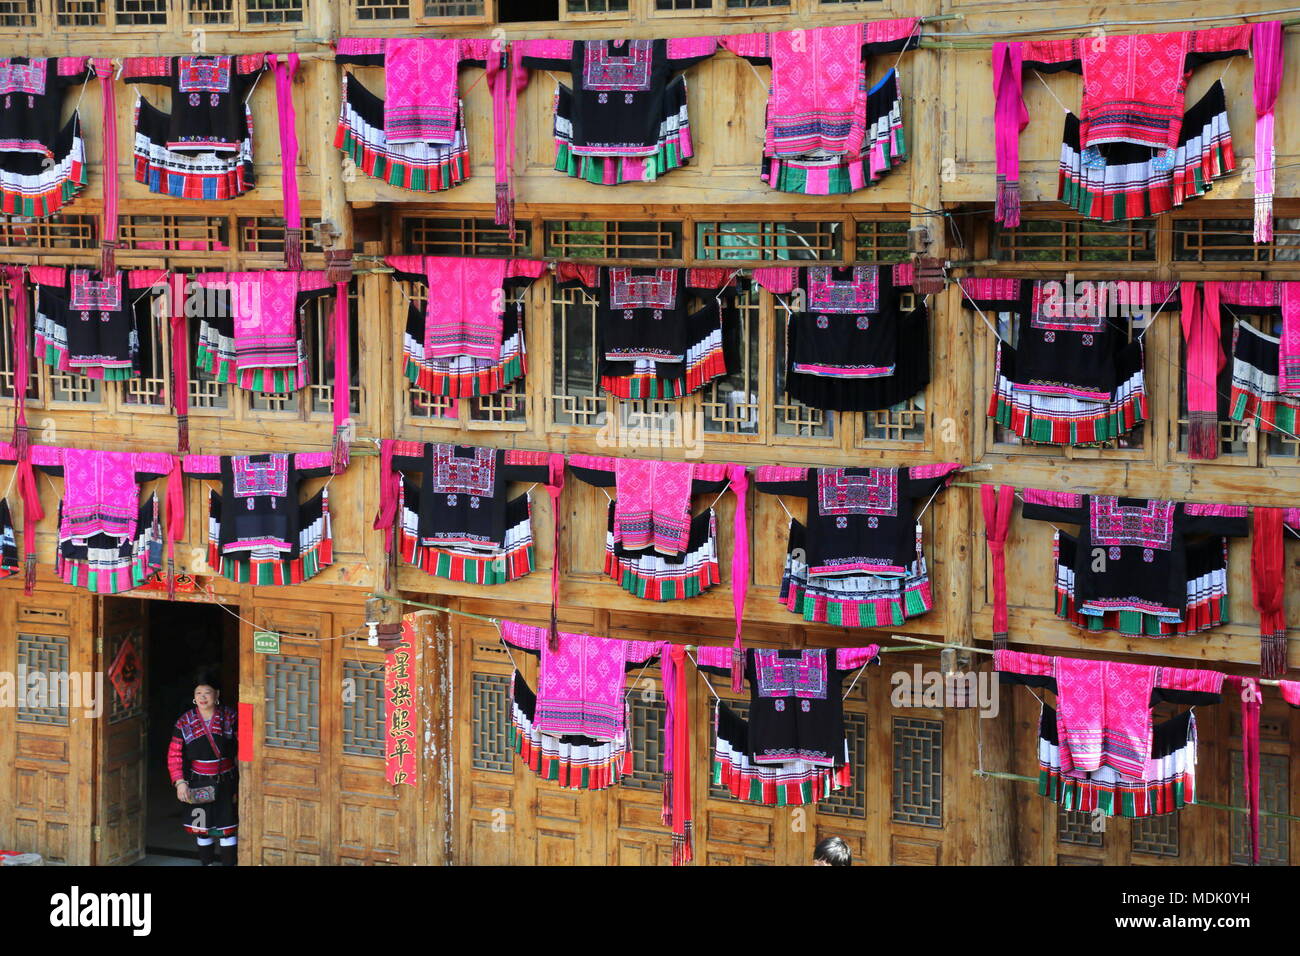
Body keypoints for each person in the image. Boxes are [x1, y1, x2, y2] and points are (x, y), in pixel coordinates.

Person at [168, 671, 239, 866]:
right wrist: (180, 783)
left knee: (227, 828)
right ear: (194, 696)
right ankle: (206, 864)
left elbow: (244, 748)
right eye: (198, 693)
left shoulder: (230, 717)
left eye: (207, 693)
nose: (202, 697)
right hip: (198, 780)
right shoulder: (185, 721)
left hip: (226, 779)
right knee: (203, 828)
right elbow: (174, 754)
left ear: (217, 694)